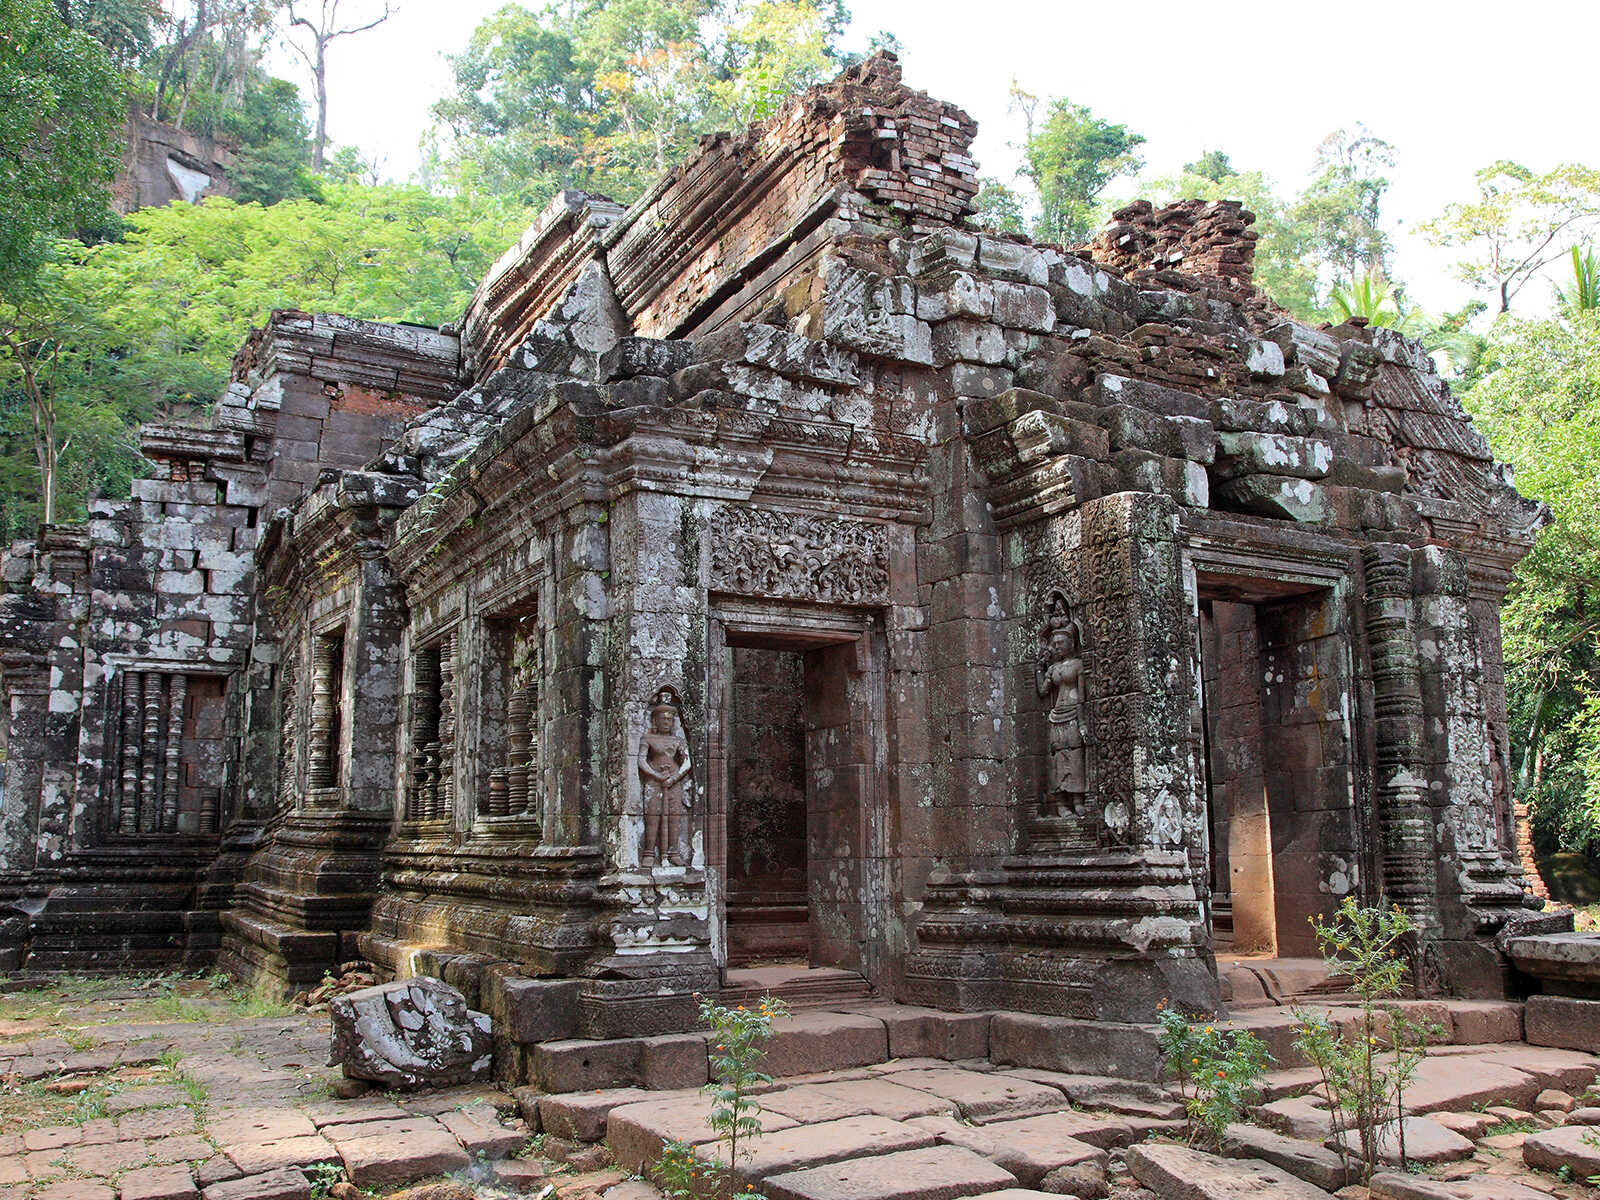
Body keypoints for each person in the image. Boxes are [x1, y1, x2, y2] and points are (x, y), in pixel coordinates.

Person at [1035, 597, 1087, 818]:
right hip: (1057, 715)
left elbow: (1082, 697)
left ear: (1071, 643)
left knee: (1075, 755)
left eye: (1060, 643)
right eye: (1054, 643)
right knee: (1058, 755)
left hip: (1074, 712)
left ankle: (1077, 798)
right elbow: (1043, 691)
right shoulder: (1054, 668)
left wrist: (1083, 722)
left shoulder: (1078, 665)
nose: (1057, 646)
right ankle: (1060, 802)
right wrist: (1039, 668)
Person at [638, 687, 693, 867]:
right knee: (652, 816)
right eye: (663, 719)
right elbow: (641, 761)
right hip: (654, 782)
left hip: (673, 782)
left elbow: (687, 762)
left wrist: (674, 778)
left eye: (670, 719)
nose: (666, 722)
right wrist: (657, 776)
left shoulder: (677, 741)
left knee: (674, 817)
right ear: (655, 720)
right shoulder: (648, 738)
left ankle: (673, 852)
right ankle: (649, 852)